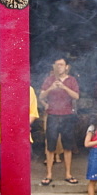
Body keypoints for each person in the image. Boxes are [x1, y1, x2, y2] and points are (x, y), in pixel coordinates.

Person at [0, 80, 39, 195]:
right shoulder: (0, 88)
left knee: (22, 170)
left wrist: (21, 124)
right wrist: (12, 123)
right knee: (1, 172)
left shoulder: (29, 90)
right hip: (2, 137)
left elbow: (33, 113)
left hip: (23, 138)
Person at [39, 57, 80, 185]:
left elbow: (76, 96)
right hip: (52, 115)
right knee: (50, 146)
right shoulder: (49, 80)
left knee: (67, 146)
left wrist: (64, 87)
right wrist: (51, 88)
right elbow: (41, 96)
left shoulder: (72, 80)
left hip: (67, 115)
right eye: (56, 65)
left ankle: (68, 173)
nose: (59, 67)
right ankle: (49, 174)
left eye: (61, 65)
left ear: (67, 66)